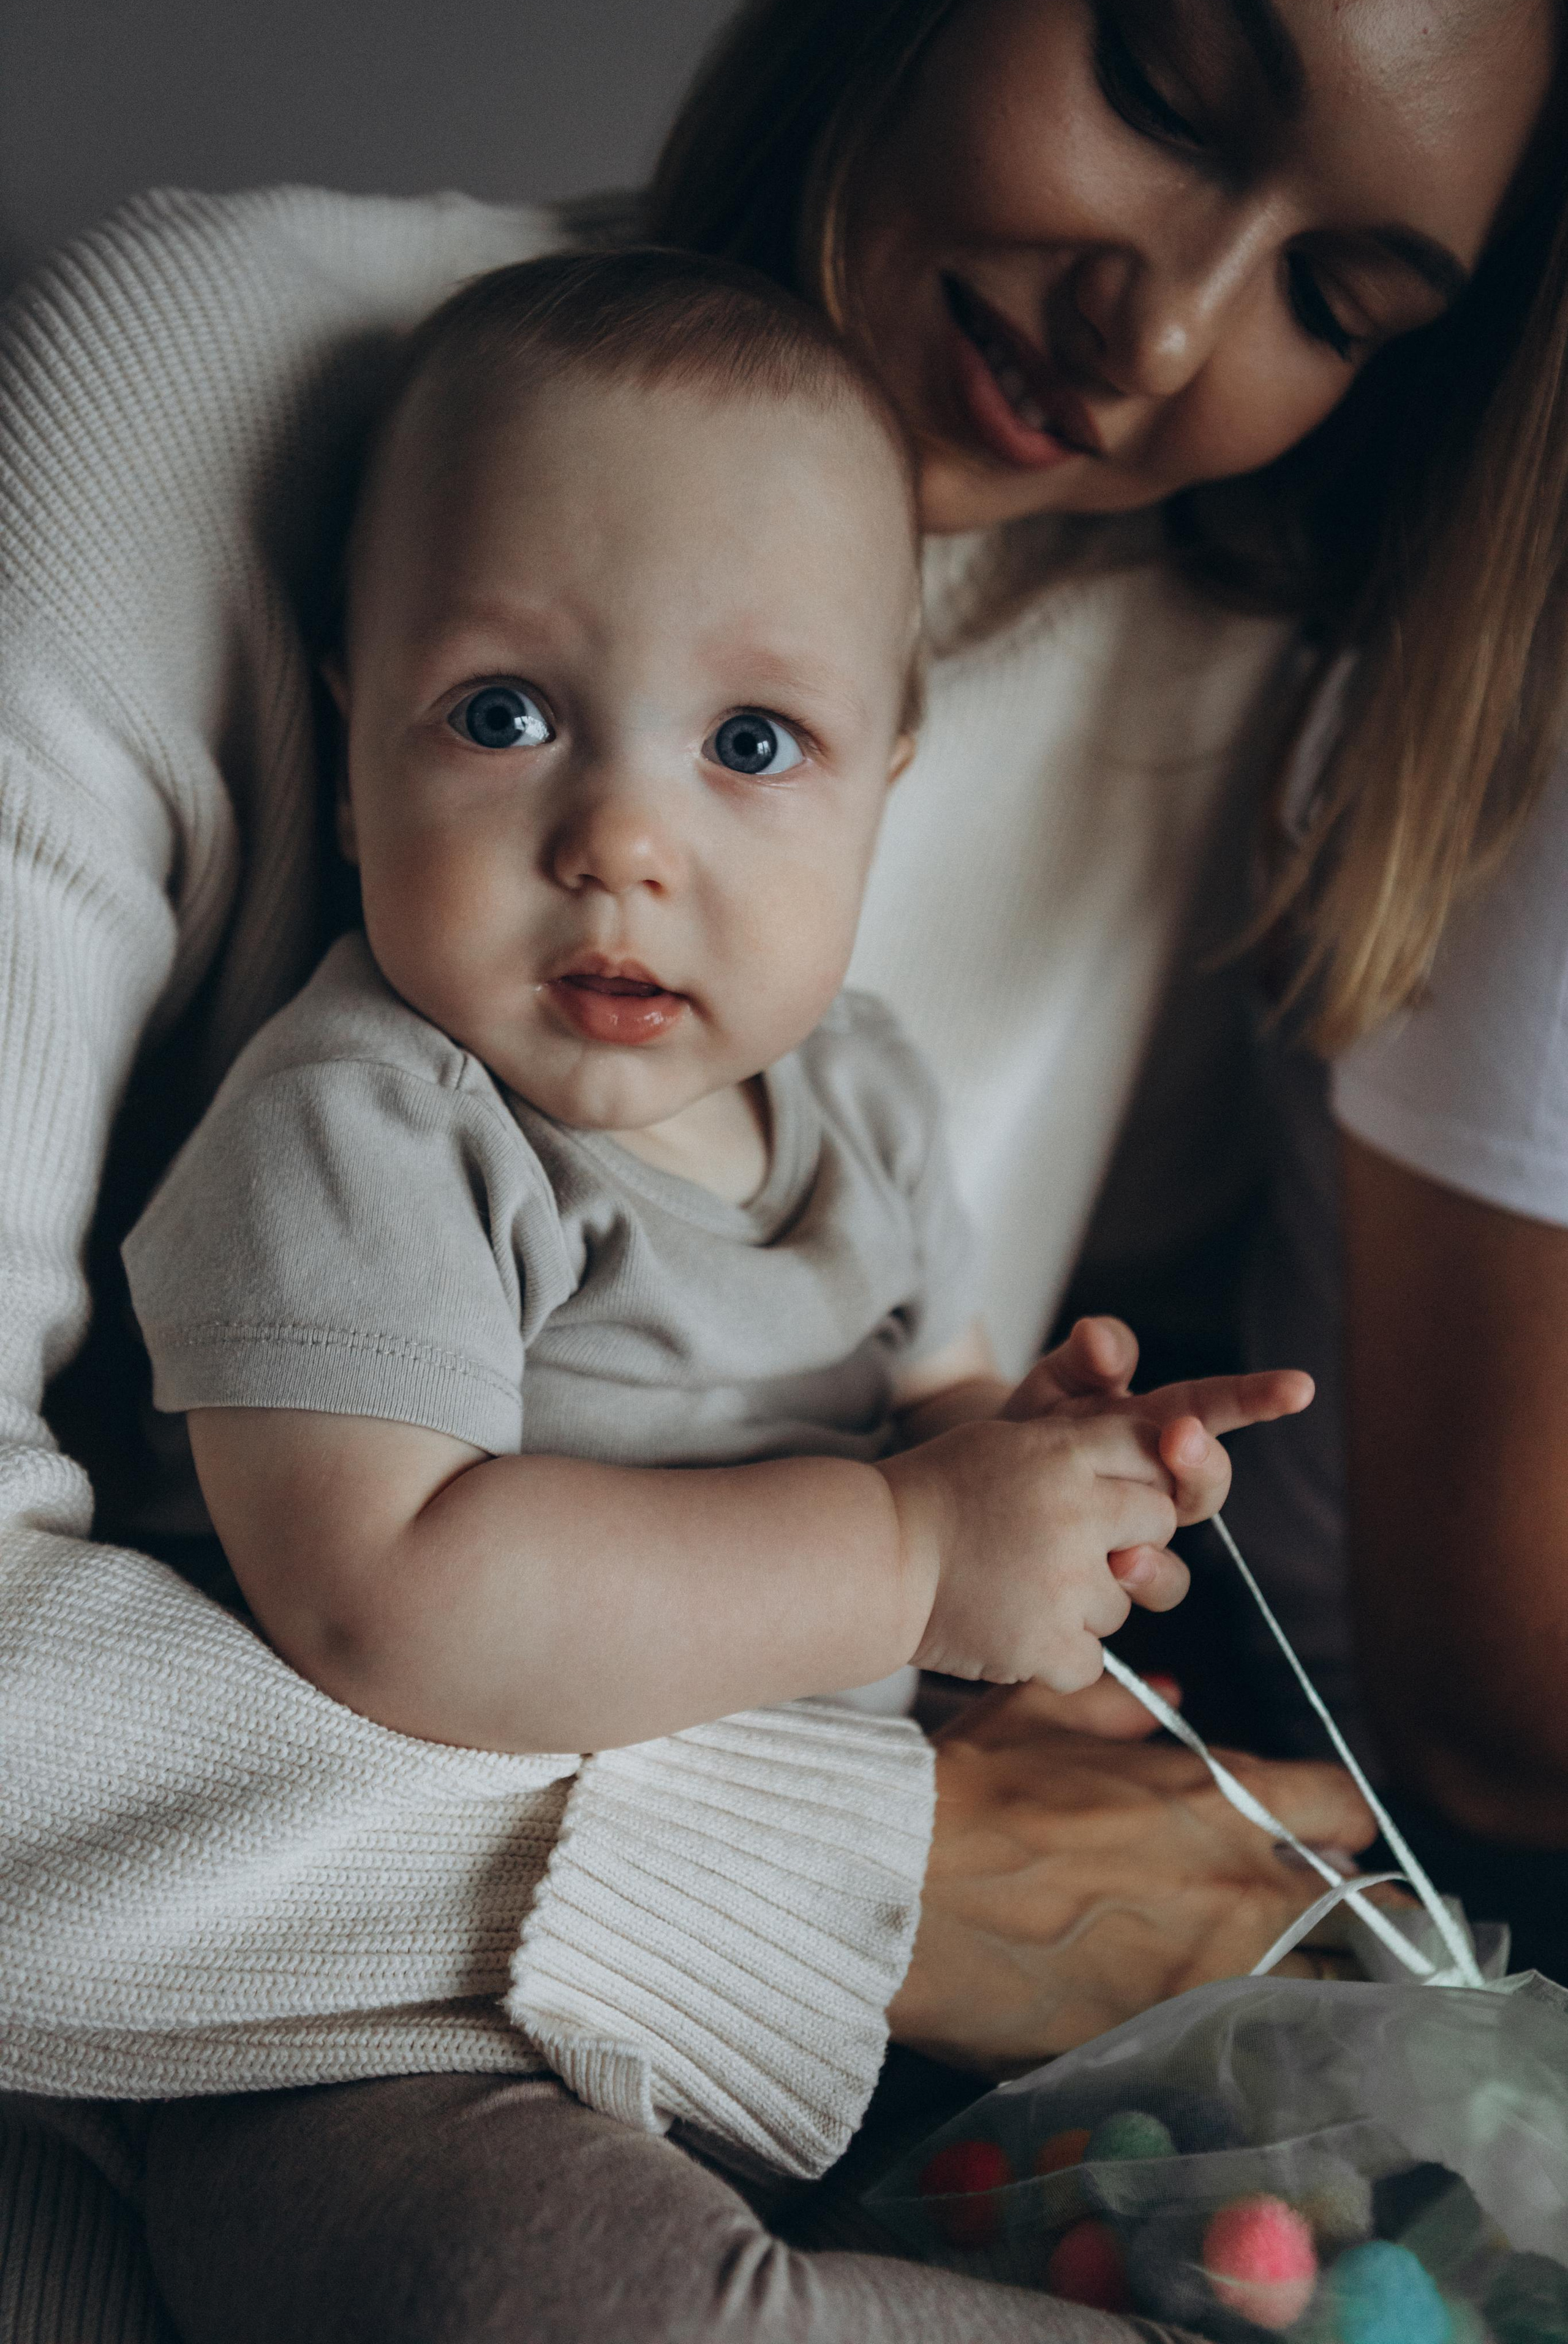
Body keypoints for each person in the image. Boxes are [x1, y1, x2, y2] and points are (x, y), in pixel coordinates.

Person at [1, 0, 1563, 2335]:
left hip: (786, 2068)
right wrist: (882, 1848)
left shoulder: (1201, 714)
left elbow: (933, 1416)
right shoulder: (252, 423)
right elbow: (410, 1587)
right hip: (262, 2097)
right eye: (1159, 86)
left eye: (1337, 301)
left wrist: (1061, 1496)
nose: (1158, 330)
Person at [124, 244, 1310, 1766]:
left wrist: (1033, 1485)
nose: (619, 843)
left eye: (749, 744)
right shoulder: (369, 1129)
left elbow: (926, 1403)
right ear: (357, 767)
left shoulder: (862, 1099)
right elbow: (383, 1604)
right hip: (397, 1920)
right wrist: (908, 1556)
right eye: (504, 716)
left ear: (879, 789)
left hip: (794, 1893)